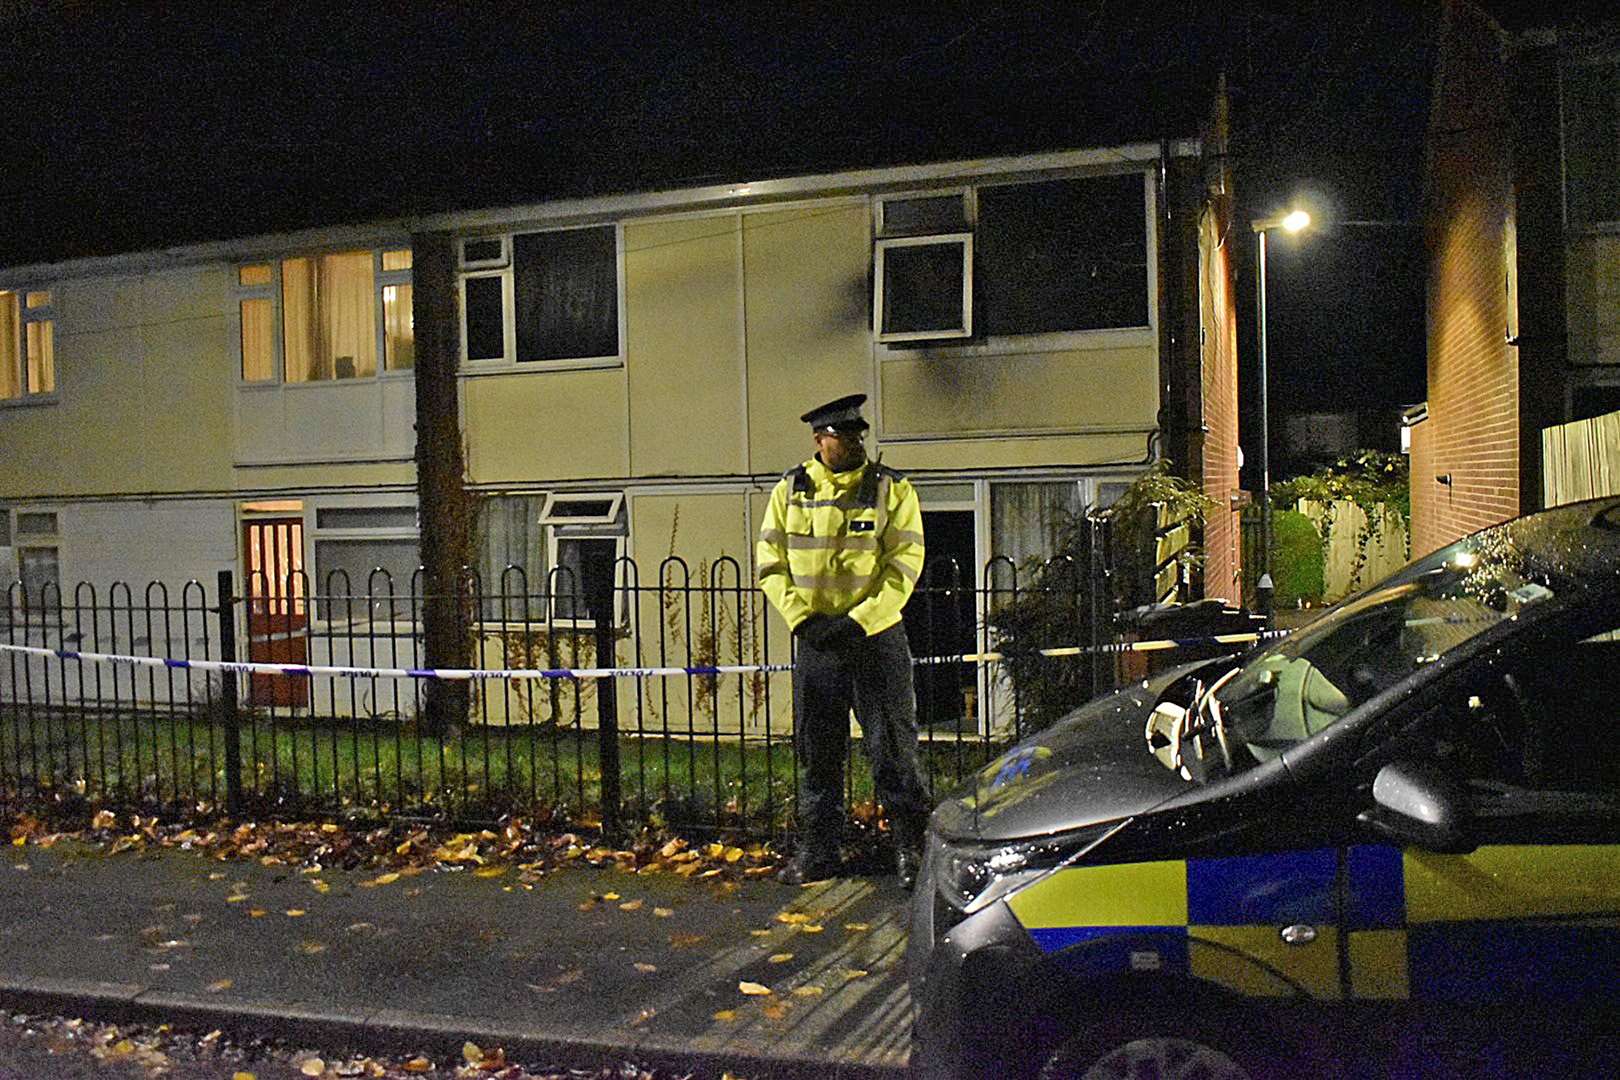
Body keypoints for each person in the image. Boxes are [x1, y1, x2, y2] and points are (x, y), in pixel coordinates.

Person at [755, 393, 931, 888]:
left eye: (858, 434)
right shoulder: (790, 490)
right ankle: (819, 852)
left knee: (893, 750)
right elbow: (770, 564)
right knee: (819, 751)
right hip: (817, 641)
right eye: (843, 436)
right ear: (819, 440)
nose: (854, 442)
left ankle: (910, 852)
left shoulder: (891, 489)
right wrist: (802, 620)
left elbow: (904, 565)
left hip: (874, 641)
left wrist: (861, 620)